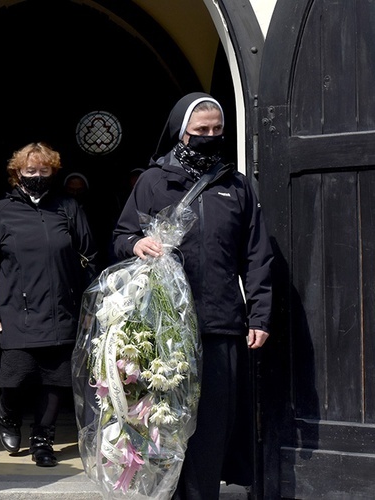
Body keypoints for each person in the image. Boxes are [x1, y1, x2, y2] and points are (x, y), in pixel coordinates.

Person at [112, 92, 273, 499]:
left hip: (220, 324)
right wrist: (137, 245)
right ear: (180, 132)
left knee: (212, 426)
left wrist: (259, 315)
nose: (210, 136)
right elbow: (120, 236)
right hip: (162, 328)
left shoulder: (236, 185)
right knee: (164, 422)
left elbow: (256, 255)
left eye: (217, 130)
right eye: (201, 130)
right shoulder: (153, 181)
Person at [0, 142, 97, 467]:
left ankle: (43, 439)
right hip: (16, 312)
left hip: (62, 311)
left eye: (44, 171)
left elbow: (90, 257)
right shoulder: (1, 211)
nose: (37, 176)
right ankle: (8, 413)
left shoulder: (67, 207)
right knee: (15, 376)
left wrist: (89, 305)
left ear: (53, 173)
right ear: (17, 174)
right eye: (31, 171)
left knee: (56, 380)